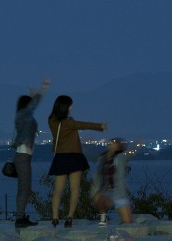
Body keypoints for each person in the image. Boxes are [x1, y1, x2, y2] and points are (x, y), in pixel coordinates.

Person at [47, 94, 107, 227]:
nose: (71, 108)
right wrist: (101, 126)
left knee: (58, 189)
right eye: (70, 105)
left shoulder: (51, 120)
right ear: (66, 107)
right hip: (74, 157)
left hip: (61, 157)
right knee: (75, 189)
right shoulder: (69, 123)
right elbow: (84, 125)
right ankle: (69, 217)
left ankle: (55, 216)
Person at [10, 78, 50, 227]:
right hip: (22, 155)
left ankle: (21, 216)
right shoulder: (23, 115)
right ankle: (20, 218)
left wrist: (33, 97)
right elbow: (33, 106)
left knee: (25, 188)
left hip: (24, 155)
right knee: (24, 188)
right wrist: (43, 89)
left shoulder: (22, 116)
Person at [91, 138, 134, 225]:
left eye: (115, 143)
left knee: (128, 222)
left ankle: (122, 235)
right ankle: (103, 218)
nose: (111, 144)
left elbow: (128, 155)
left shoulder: (120, 158)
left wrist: (135, 144)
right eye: (110, 142)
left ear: (118, 146)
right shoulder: (102, 158)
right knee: (98, 199)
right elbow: (98, 175)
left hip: (118, 192)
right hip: (106, 190)